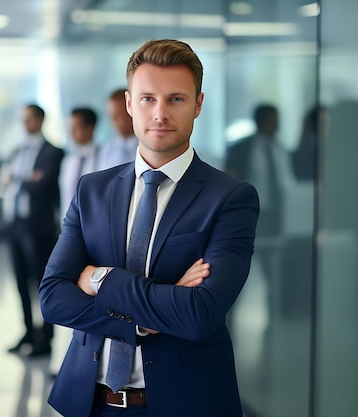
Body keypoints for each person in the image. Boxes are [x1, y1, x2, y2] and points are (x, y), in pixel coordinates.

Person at [40, 39, 259, 417]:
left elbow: (197, 315)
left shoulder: (231, 198)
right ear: (128, 104)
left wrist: (100, 279)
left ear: (198, 105)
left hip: (184, 405)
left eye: (175, 99)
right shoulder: (92, 189)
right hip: (88, 402)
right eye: (147, 99)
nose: (160, 113)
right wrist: (149, 317)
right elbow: (53, 297)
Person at [0, 104, 64, 357]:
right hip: (14, 223)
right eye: (22, 119)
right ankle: (27, 330)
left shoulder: (53, 152)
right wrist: (26, 177)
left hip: (37, 226)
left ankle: (45, 337)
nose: (25, 124)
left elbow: (41, 186)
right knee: (19, 281)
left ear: (39, 120)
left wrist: (16, 178)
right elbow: (5, 179)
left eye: (28, 119)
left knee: (41, 282)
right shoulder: (17, 150)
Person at [50, 107, 100, 376]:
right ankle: (63, 360)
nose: (73, 132)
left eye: (77, 126)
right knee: (63, 295)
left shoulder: (104, 157)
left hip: (95, 240)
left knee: (88, 296)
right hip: (69, 238)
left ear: (90, 127)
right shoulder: (69, 160)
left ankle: (86, 360)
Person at [225, 103, 289, 236]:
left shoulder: (281, 149)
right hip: (253, 207)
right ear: (260, 121)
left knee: (276, 246)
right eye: (272, 121)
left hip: (281, 209)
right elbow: (229, 177)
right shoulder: (241, 148)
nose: (276, 126)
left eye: (277, 121)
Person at [96, 88, 138, 170]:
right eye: (115, 117)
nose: (121, 122)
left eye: (125, 115)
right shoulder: (106, 149)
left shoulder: (148, 146)